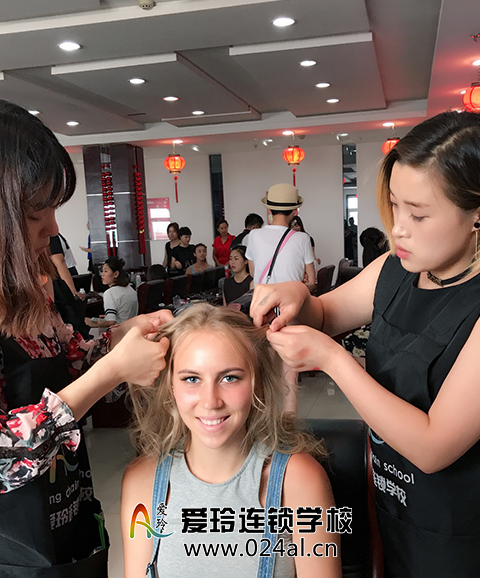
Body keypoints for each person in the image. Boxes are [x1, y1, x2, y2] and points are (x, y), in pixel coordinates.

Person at [250, 111, 480, 577]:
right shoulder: (394, 269)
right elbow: (325, 314)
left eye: (418, 214)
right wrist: (299, 297)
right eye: (395, 206)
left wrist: (334, 360)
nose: (399, 229)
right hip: (395, 507)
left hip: (459, 530)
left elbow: (433, 446)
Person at [0, 100, 173, 576]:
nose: (54, 229)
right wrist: (111, 371)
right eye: (36, 213)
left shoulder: (30, 292)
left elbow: (68, 367)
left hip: (68, 515)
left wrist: (116, 342)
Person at [121, 304, 341, 578]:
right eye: (192, 378)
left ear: (257, 382)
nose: (210, 401)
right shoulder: (142, 480)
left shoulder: (298, 480)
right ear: (170, 387)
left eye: (229, 378)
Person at [246, 184, 315, 289]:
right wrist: (299, 276)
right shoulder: (303, 238)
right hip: (291, 297)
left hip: (264, 298)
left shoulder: (253, 235)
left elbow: (253, 272)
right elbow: (311, 281)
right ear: (294, 211)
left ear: (269, 209)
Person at [85, 257, 138, 328]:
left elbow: (111, 322)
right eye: (102, 271)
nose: (102, 274)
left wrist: (95, 322)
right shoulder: (130, 289)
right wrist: (108, 317)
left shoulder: (110, 293)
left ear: (116, 274)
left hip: (119, 331)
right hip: (132, 329)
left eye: (106, 271)